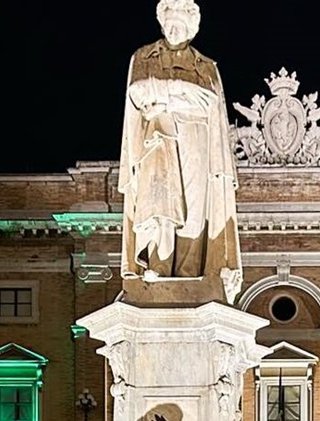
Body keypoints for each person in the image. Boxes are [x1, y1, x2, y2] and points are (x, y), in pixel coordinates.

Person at [118, 0, 242, 302]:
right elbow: (137, 92)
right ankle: (158, 265)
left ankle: (189, 273)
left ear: (192, 28)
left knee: (197, 209)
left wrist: (162, 93)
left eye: (181, 25)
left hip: (198, 141)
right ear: (162, 24)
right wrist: (182, 91)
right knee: (159, 203)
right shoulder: (143, 56)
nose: (174, 29)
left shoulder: (206, 66)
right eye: (169, 23)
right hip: (157, 141)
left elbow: (209, 101)